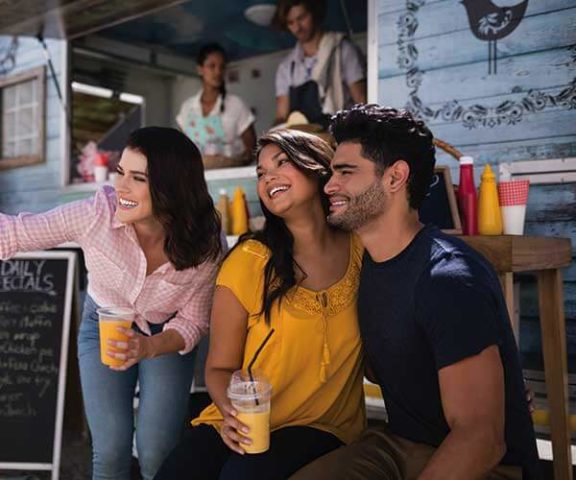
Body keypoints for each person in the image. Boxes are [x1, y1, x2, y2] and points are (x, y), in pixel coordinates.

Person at [0, 127, 224, 480]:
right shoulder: (97, 214)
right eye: (120, 172)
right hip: (102, 323)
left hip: (165, 336)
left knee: (157, 452)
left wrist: (148, 346)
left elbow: (194, 321)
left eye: (138, 178)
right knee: (111, 451)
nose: (120, 187)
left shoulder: (205, 241)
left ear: (173, 188)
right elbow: (6, 234)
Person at [291, 104, 538, 479]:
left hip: (488, 466)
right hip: (402, 445)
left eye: (345, 172)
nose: (329, 186)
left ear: (395, 178)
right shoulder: (370, 263)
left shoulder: (448, 278)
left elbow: (482, 439)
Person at [155, 129, 365, 480]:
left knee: (243, 476)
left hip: (321, 423)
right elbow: (219, 369)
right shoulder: (250, 261)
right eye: (261, 173)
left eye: (281, 163)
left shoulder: (362, 250)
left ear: (317, 168)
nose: (269, 178)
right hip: (242, 415)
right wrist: (233, 418)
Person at [273, 0, 366, 127]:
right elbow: (281, 116)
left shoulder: (342, 50)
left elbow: (362, 100)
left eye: (301, 18)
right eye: (290, 23)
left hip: (342, 135)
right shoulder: (287, 67)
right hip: (305, 142)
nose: (297, 28)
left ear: (315, 12)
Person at [177, 43, 257, 163]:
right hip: (193, 178)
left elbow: (253, 149)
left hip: (229, 177)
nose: (218, 71)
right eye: (212, 66)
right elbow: (180, 148)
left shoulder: (236, 104)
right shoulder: (187, 107)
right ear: (200, 69)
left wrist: (233, 163)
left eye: (222, 67)